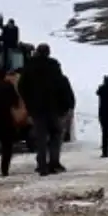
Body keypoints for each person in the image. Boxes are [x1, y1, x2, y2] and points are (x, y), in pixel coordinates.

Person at [18, 43, 70, 176]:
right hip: (53, 107)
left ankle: (42, 165)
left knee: (41, 136)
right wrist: (63, 105)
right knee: (56, 134)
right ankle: (54, 162)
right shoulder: (54, 65)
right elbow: (61, 85)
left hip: (37, 108)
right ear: (48, 52)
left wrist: (29, 103)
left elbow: (22, 86)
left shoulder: (29, 66)